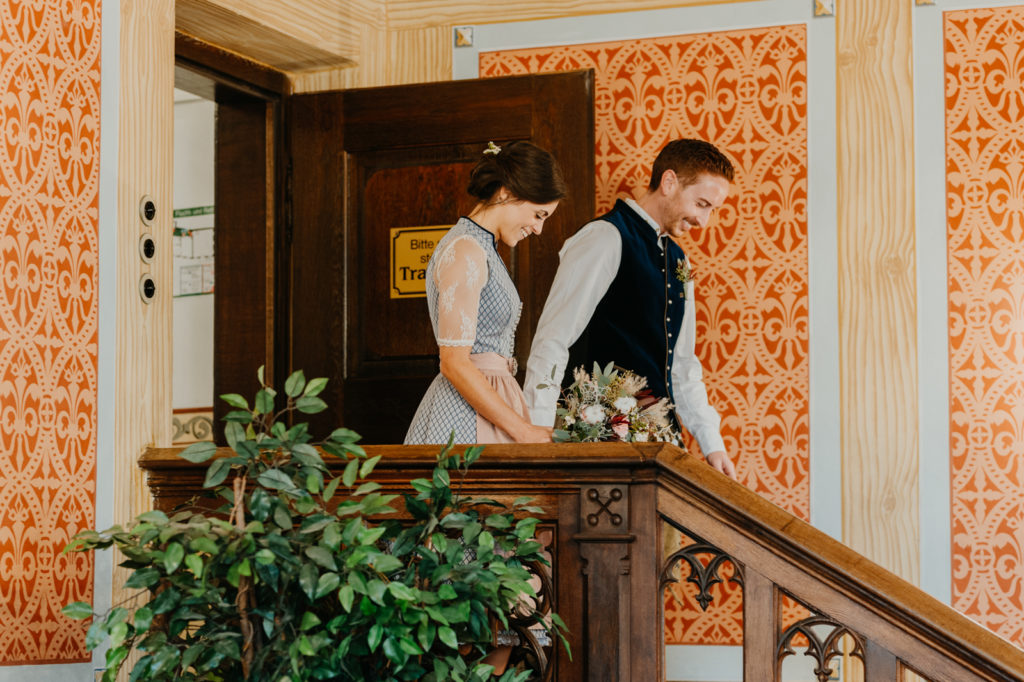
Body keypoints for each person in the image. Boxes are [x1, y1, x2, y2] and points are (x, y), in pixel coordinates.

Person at [523, 138, 738, 479]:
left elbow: (681, 366)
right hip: (598, 443)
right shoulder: (604, 237)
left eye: (712, 209)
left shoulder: (678, 259)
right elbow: (553, 339)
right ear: (669, 182)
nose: (704, 221)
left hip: (662, 450)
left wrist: (712, 444)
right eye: (701, 204)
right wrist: (534, 434)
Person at [405, 141, 566, 445]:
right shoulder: (466, 249)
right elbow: (454, 362)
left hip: (491, 403)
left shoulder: (482, 247)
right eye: (538, 215)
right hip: (465, 414)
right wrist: (522, 430)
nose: (538, 229)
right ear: (505, 192)